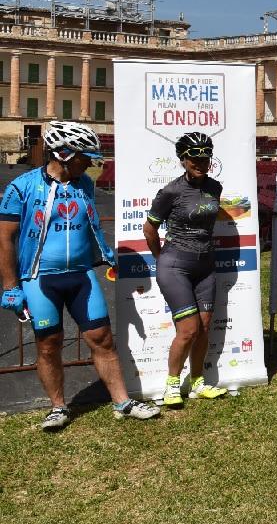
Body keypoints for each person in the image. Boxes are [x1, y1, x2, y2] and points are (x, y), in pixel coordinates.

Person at [0, 121, 160, 430]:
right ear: (62, 154)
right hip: (39, 278)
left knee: (103, 339)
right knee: (49, 344)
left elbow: (90, 224)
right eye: (84, 156)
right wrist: (10, 286)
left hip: (81, 275)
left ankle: (122, 402)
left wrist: (105, 253)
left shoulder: (84, 183)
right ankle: (58, 407)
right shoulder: (22, 187)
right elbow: (4, 238)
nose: (90, 162)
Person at [142, 131, 229, 406]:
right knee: (189, 329)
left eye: (205, 157)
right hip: (175, 265)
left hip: (206, 266)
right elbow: (149, 229)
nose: (201, 162)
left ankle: (198, 382)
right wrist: (161, 258)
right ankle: (171, 384)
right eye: (195, 158)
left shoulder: (215, 187)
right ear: (183, 159)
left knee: (203, 327)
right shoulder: (171, 191)